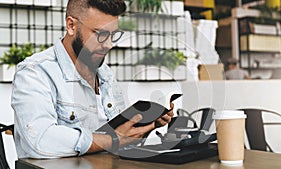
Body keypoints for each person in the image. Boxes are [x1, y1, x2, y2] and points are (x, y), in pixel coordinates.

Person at [11, 0, 174, 158]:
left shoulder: (105, 74)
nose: (108, 44)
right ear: (71, 25)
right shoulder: (35, 72)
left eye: (113, 35)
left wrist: (147, 126)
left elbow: (120, 145)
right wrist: (113, 140)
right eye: (100, 34)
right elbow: (40, 141)